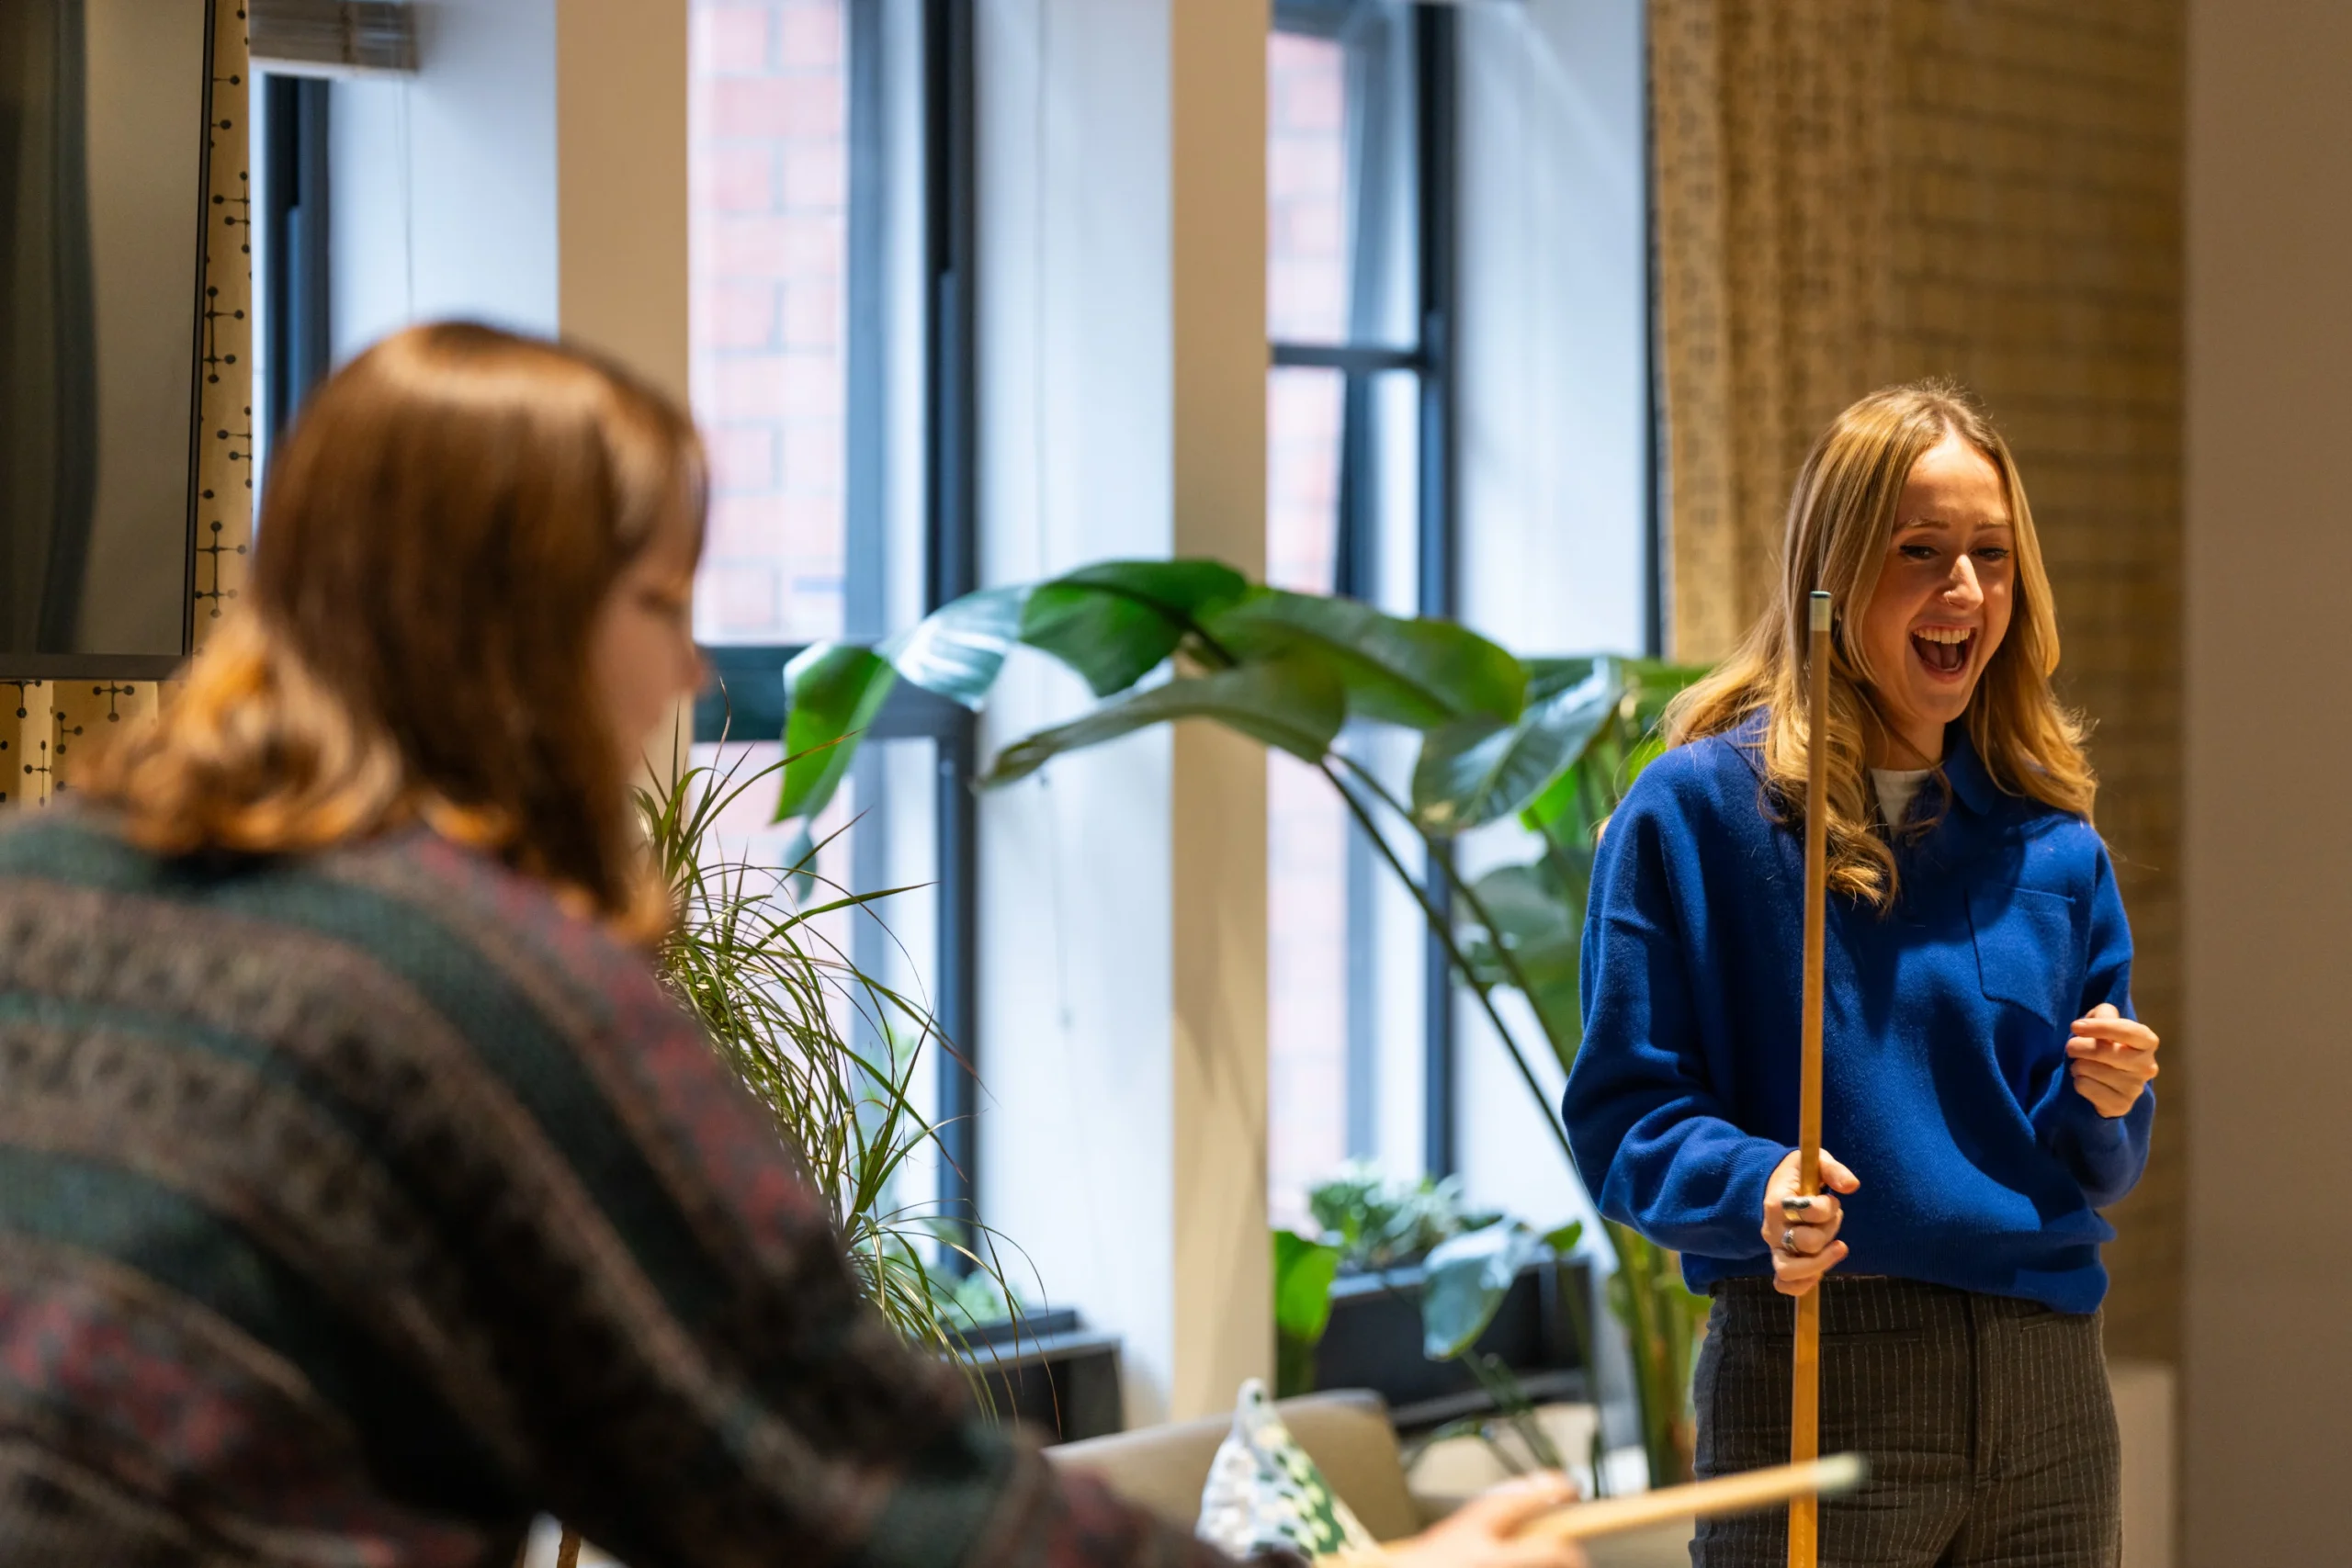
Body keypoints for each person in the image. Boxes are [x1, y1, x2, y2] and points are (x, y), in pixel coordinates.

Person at [0, 323, 1588, 1568]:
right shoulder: (477, 991)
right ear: (507, 632)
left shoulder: (38, 887)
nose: (691, 672)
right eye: (656, 601)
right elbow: (855, 1490)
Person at [1561, 382, 2159, 1568]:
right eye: (1921, 552)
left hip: (2048, 1392)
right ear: (1830, 575)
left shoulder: (2053, 842)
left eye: (1992, 555)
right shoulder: (1694, 815)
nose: (1966, 593)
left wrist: (2109, 1098)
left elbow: (2100, 1154)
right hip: (1822, 1365)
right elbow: (1624, 1113)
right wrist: (1752, 1184)